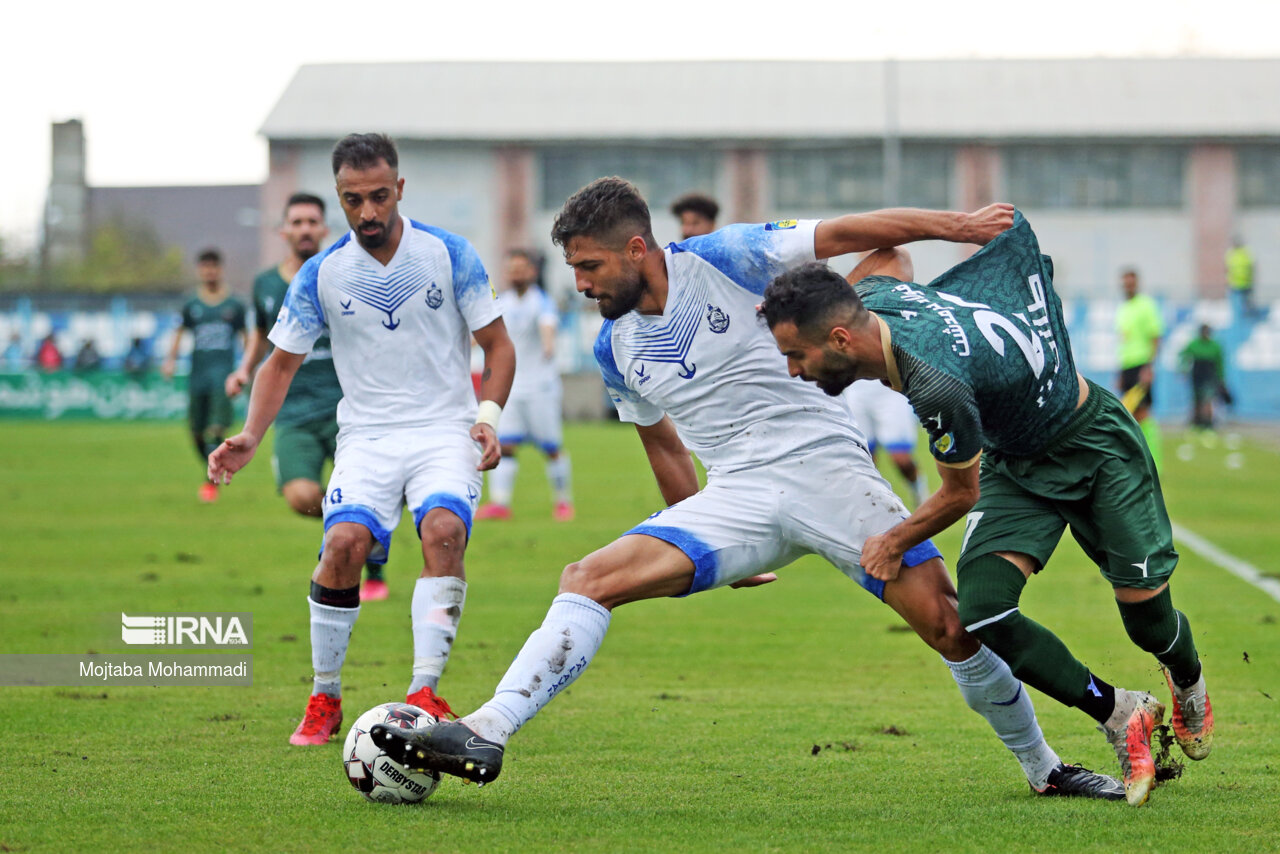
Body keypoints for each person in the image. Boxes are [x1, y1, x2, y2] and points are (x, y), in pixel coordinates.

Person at [373, 179, 1123, 802]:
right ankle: (488, 728)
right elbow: (663, 444)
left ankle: (1045, 769)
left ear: (638, 249)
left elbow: (854, 234)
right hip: (734, 497)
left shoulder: (725, 256)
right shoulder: (614, 347)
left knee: (951, 627)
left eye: (591, 265)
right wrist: (695, 532)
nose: (582, 283)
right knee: (587, 578)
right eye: (574, 268)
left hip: (826, 469)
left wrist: (955, 226)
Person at [757, 210, 1213, 807]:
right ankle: (1120, 712)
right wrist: (952, 228)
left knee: (1146, 620)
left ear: (841, 340)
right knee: (984, 611)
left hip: (1095, 445)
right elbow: (891, 253)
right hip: (1017, 462)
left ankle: (1188, 682)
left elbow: (959, 493)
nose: (793, 370)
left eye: (797, 354)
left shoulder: (934, 384)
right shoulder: (873, 294)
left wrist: (891, 541)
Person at [207, 133, 515, 746]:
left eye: (379, 196)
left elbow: (498, 347)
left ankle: (423, 691)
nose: (368, 212)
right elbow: (280, 365)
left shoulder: (449, 254)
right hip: (368, 435)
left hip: (443, 429)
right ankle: (324, 696)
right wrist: (249, 433)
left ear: (399, 189)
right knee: (344, 545)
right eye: (354, 200)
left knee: (443, 533)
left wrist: (487, 415)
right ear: (339, 199)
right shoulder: (322, 274)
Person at [224, 194, 389, 603]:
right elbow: (261, 336)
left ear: (324, 229)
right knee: (301, 497)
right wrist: (245, 369)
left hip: (348, 408)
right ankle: (356, 538)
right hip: (293, 410)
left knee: (361, 495)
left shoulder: (349, 272)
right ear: (284, 231)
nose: (304, 229)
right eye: (296, 222)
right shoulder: (266, 284)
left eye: (312, 222)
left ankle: (368, 566)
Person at [475, 249, 574, 522]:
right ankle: (500, 504)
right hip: (510, 388)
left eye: (522, 268)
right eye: (512, 268)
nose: (516, 273)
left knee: (552, 447)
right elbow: (484, 334)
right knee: (504, 446)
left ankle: (563, 503)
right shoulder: (501, 303)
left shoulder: (541, 302)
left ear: (532, 272)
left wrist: (549, 344)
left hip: (541, 387)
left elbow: (547, 326)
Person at [163, 249, 246, 503]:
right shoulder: (192, 304)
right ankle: (215, 464)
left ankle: (209, 482)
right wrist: (170, 360)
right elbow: (179, 332)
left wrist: (246, 366)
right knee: (196, 430)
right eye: (205, 267)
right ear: (200, 270)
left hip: (223, 376)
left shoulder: (234, 304)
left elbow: (246, 336)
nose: (210, 271)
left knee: (216, 427)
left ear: (220, 269)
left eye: (214, 266)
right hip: (197, 375)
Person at [1115, 268, 1164, 469]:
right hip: (1127, 367)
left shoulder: (1146, 305)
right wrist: (1119, 372)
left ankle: (1155, 462)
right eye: (1125, 283)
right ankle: (1138, 460)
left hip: (1141, 365)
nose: (1128, 286)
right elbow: (1124, 343)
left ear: (1137, 283)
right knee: (1130, 415)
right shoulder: (1123, 309)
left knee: (1143, 413)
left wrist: (1149, 367)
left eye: (1131, 282)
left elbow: (1155, 337)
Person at [1179, 324, 1229, 429]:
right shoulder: (1194, 344)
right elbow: (1184, 355)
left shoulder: (1215, 346)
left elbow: (1220, 363)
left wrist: (1221, 378)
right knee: (1197, 398)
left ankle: (1207, 421)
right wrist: (1183, 369)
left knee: (1207, 398)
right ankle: (1197, 421)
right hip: (1197, 374)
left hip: (1209, 375)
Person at [1224, 237, 1256, 320]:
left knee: (1245, 306)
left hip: (1243, 284)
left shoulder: (1238, 254)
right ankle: (1240, 320)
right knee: (1238, 307)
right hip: (1237, 285)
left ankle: (1247, 319)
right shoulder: (1237, 254)